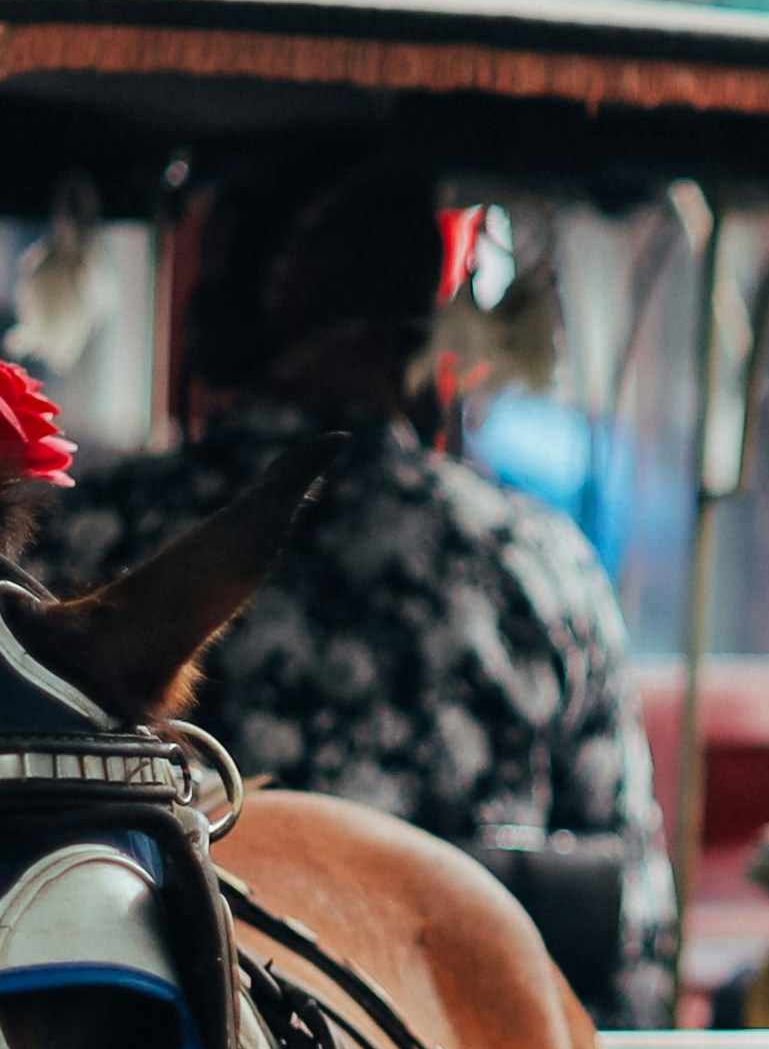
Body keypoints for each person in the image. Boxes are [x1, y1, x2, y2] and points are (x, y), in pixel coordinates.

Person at [43, 155, 668, 1000]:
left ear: (218, 321)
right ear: (420, 325)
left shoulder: (91, 540)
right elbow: (630, 934)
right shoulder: (539, 566)